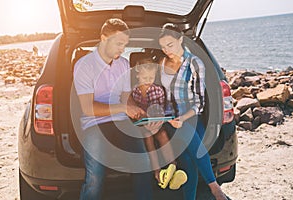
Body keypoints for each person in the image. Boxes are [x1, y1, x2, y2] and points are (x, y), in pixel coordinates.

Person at [73, 18, 152, 200]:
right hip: (94, 125)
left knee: (143, 164)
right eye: (119, 44)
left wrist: (139, 112)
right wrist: (124, 107)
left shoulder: (123, 64)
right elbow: (88, 108)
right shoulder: (84, 66)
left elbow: (126, 98)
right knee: (95, 177)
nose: (122, 49)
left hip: (121, 122)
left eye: (125, 45)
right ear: (103, 39)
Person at [158, 23, 228, 200]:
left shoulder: (194, 63)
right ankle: (215, 189)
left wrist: (183, 117)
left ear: (180, 40)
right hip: (171, 119)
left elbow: (199, 102)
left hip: (190, 116)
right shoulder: (162, 63)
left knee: (190, 161)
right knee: (195, 148)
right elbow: (163, 96)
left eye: (170, 45)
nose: (167, 50)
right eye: (163, 46)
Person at [131, 57, 187, 190]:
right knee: (147, 137)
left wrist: (155, 122)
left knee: (161, 134)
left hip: (156, 121)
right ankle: (157, 171)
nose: (148, 81)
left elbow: (161, 110)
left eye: (151, 77)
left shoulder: (158, 91)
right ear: (138, 75)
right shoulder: (134, 92)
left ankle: (172, 167)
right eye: (145, 77)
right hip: (141, 124)